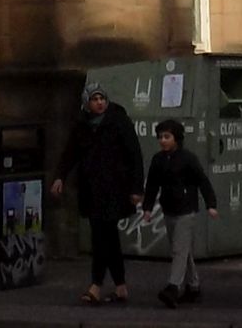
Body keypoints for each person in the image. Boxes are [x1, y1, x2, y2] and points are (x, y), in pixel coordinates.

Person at [50, 83, 143, 304]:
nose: (100, 102)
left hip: (114, 189)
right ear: (87, 102)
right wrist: (60, 176)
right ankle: (120, 287)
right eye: (95, 99)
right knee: (108, 238)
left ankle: (96, 285)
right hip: (92, 189)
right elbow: (70, 152)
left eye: (102, 98)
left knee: (102, 237)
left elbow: (134, 155)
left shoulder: (118, 121)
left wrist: (137, 188)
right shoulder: (82, 125)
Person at [141, 119, 219, 307]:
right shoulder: (158, 160)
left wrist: (211, 204)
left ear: (177, 138)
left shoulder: (188, 158)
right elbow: (152, 184)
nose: (163, 141)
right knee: (183, 251)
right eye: (160, 137)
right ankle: (193, 287)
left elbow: (202, 181)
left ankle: (173, 287)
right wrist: (147, 208)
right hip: (169, 210)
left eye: (167, 137)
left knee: (179, 249)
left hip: (186, 210)